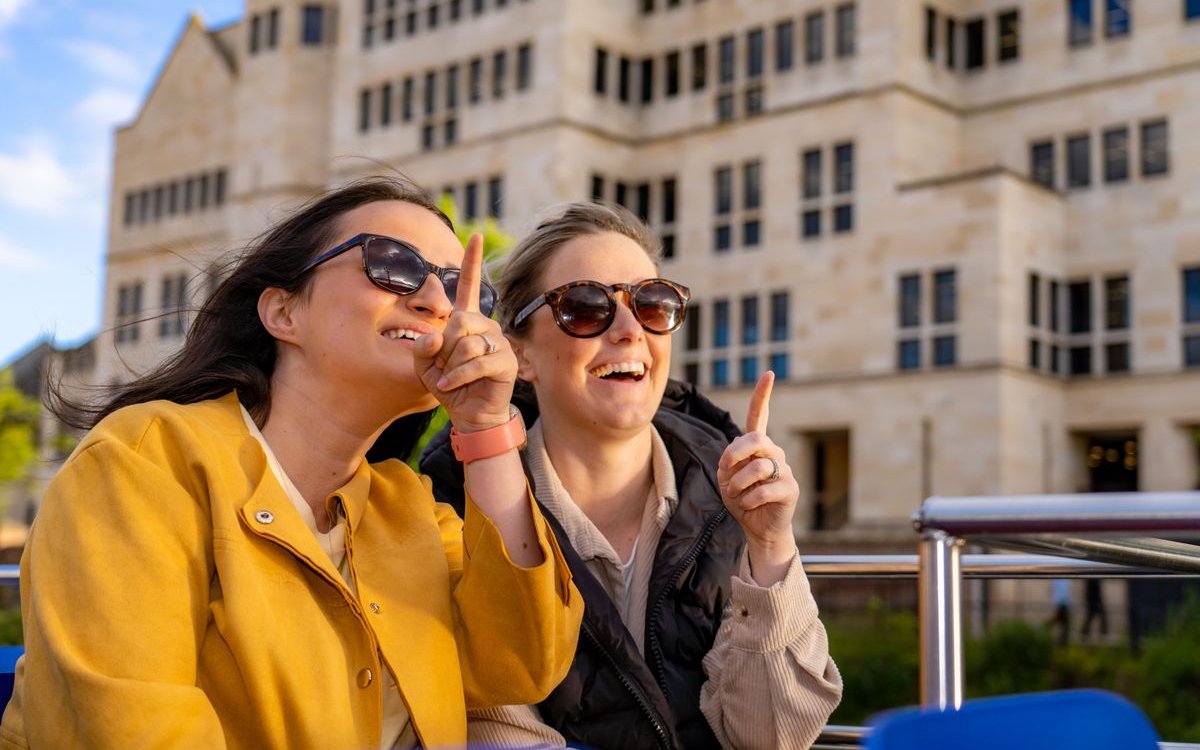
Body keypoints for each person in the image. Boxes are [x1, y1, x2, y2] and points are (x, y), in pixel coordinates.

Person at [0, 177, 582, 749]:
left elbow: (518, 664)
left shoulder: (407, 505)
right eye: (393, 265)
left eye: (463, 291)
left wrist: (485, 428)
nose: (437, 302)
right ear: (283, 312)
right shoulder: (142, 463)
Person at [422, 202, 842, 749]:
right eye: (585, 306)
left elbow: (771, 738)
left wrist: (770, 545)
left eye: (653, 303)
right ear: (519, 352)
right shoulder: (451, 504)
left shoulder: (731, 495)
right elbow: (501, 733)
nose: (628, 330)